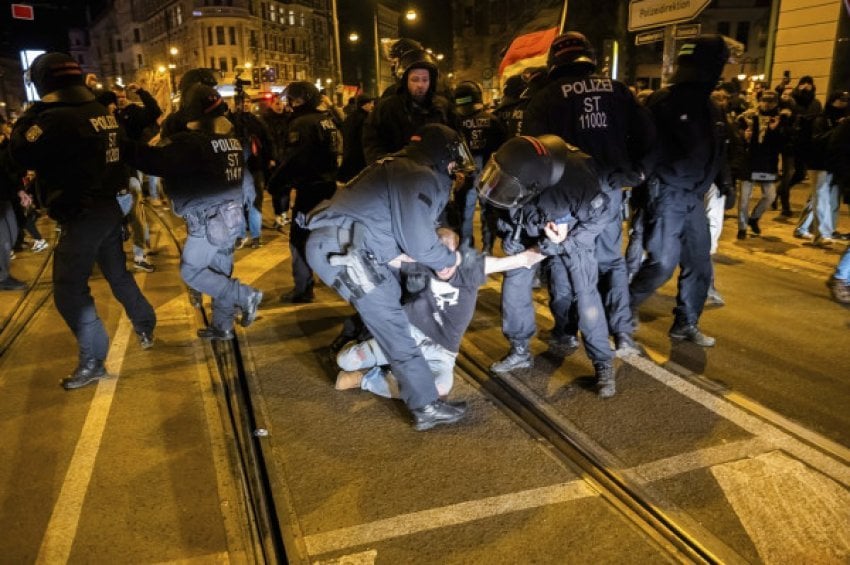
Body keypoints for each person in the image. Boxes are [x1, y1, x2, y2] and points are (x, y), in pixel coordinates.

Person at [305, 123, 476, 431]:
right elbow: (418, 239)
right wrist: (448, 260)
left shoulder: (396, 166)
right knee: (394, 326)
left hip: (344, 245)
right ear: (442, 154)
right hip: (348, 250)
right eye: (452, 161)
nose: (453, 169)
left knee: (388, 310)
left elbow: (383, 222)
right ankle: (425, 405)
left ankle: (351, 354)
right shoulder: (418, 174)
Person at [9, 52, 157, 389]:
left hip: (83, 213)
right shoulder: (98, 112)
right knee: (117, 275)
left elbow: (20, 151)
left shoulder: (54, 117)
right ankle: (146, 322)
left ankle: (93, 360)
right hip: (107, 207)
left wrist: (34, 109)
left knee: (68, 290)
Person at [523, 31, 654, 358]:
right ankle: (621, 331)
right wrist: (636, 172)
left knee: (564, 260)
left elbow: (532, 150)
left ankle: (566, 331)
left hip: (564, 194)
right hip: (608, 191)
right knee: (611, 262)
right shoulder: (618, 91)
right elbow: (647, 135)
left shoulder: (546, 97)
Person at [123, 83, 263, 340]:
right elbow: (245, 180)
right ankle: (223, 326)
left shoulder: (192, 143)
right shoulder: (230, 141)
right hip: (230, 218)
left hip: (208, 221)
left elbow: (153, 160)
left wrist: (119, 145)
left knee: (192, 271)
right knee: (220, 274)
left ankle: (246, 296)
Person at [481, 135, 618, 397]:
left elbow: (598, 219)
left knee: (585, 296)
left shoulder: (577, 179)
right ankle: (519, 349)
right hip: (527, 229)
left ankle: (602, 363)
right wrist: (511, 238)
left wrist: (557, 246)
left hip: (573, 234)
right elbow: (501, 206)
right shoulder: (516, 167)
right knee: (514, 286)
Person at [335, 227, 545, 396]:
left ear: (457, 254)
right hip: (407, 335)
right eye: (437, 258)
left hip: (442, 351)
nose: (443, 267)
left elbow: (521, 260)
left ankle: (366, 380)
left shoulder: (470, 267)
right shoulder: (419, 262)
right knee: (345, 361)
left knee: (437, 389)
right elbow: (380, 255)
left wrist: (552, 243)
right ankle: (382, 360)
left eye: (448, 258)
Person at [628, 36, 731, 347]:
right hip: (666, 195)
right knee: (661, 263)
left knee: (699, 265)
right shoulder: (664, 101)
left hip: (693, 198)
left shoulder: (711, 106)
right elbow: (642, 147)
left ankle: (686, 323)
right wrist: (645, 190)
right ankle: (621, 309)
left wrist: (724, 182)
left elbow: (718, 148)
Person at [269, 81, 341, 303]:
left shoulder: (302, 124)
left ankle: (303, 288)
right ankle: (342, 283)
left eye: (293, 99)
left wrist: (275, 183)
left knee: (299, 239)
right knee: (331, 238)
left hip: (310, 190)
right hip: (330, 187)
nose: (290, 104)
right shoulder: (327, 119)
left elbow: (295, 159)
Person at [362, 48, 457, 163]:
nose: (420, 85)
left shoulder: (442, 107)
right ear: (404, 80)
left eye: (425, 80)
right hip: (399, 174)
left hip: (435, 175)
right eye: (415, 80)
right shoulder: (387, 108)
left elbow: (455, 138)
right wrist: (385, 164)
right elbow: (373, 143)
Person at [450, 80, 506, 249]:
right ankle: (487, 250)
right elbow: (503, 147)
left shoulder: (455, 123)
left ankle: (467, 251)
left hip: (465, 174)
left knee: (464, 215)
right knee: (488, 214)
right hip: (490, 173)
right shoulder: (493, 120)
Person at [735, 90, 790, 239]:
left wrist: (775, 129)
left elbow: (783, 142)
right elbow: (736, 133)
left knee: (770, 196)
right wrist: (743, 135)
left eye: (771, 101)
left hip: (768, 161)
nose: (766, 104)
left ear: (776, 103)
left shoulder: (780, 118)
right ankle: (742, 227)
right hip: (749, 160)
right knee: (744, 198)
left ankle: (754, 218)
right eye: (764, 100)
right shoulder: (748, 116)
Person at [0, 116, 28, 290]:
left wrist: (19, 190)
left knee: (12, 232)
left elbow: (10, 168)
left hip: (5, 196)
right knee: (3, 238)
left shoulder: (4, 145)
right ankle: (2, 277)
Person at [337, 94, 374, 183]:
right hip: (360, 155)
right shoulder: (365, 118)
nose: (372, 105)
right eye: (370, 103)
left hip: (349, 153)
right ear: (364, 105)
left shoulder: (351, 117)